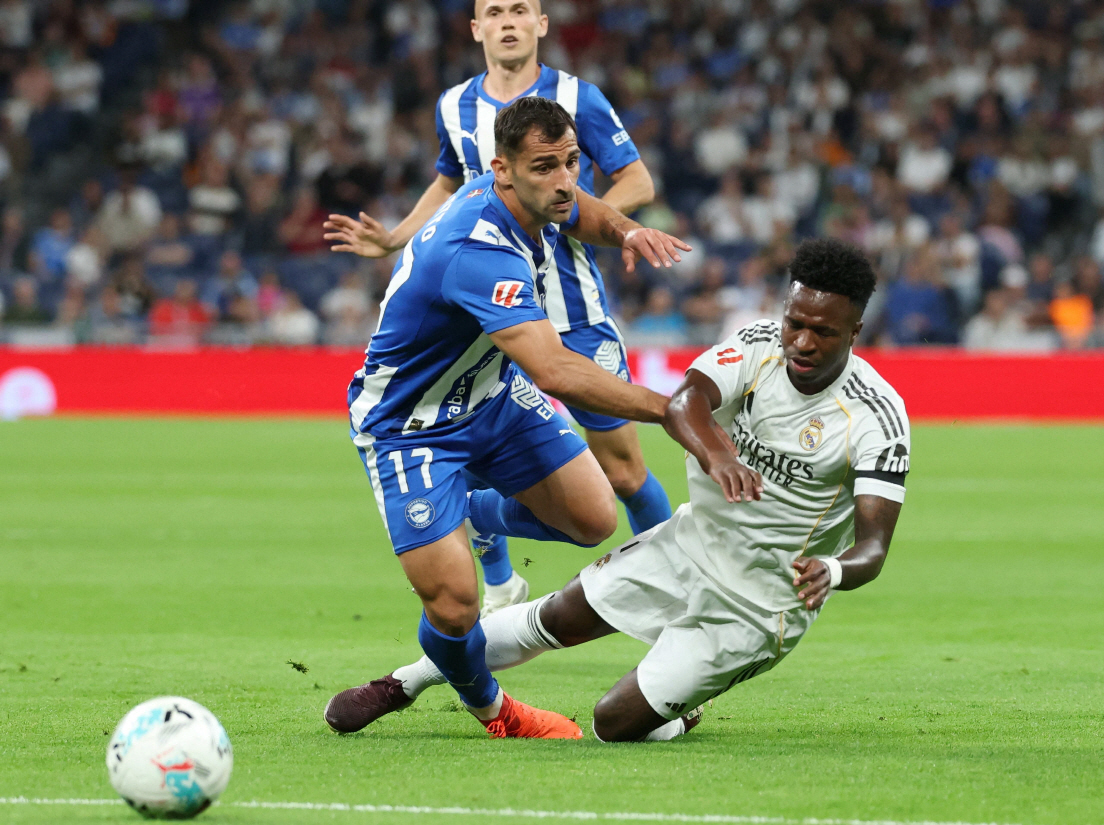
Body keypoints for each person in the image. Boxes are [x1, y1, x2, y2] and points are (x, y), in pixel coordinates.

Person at [327, 239, 910, 743]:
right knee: (552, 618)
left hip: (759, 603)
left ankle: (682, 706)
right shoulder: (758, 345)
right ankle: (403, 682)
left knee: (612, 723)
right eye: (795, 323)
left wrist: (832, 572)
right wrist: (718, 454)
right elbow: (685, 401)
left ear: (856, 331)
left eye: (822, 332)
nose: (801, 343)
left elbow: (874, 549)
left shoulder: (877, 416)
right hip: (689, 545)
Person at [324, 98, 690, 740]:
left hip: (490, 397)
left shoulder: (535, 194)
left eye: (572, 162)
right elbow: (552, 369)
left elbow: (584, 209)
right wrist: (670, 408)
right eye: (546, 166)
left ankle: (476, 511)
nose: (563, 179)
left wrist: (627, 231)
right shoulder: (477, 247)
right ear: (502, 169)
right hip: (411, 426)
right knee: (457, 604)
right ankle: (497, 711)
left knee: (594, 517)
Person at [323, 0, 670, 618]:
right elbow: (453, 183)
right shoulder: (453, 105)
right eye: (494, 11)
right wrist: (398, 236)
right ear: (477, 27)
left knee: (621, 472)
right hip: (493, 301)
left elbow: (637, 181)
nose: (508, 21)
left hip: (570, 302)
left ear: (541, 24)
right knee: (479, 416)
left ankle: (672, 581)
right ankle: (503, 582)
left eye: (521, 10)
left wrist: (574, 218)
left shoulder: (575, 96)